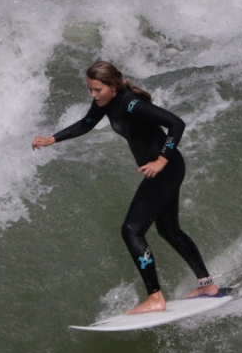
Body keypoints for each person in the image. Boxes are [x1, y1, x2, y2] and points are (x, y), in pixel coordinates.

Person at [32, 61, 220, 314]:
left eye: (97, 89)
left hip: (166, 169)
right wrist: (51, 139)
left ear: (112, 86)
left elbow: (177, 124)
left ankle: (155, 297)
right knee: (169, 231)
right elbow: (86, 123)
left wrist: (161, 161)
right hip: (165, 171)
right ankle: (208, 285)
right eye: (90, 89)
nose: (93, 95)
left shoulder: (131, 103)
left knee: (131, 230)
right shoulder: (105, 102)